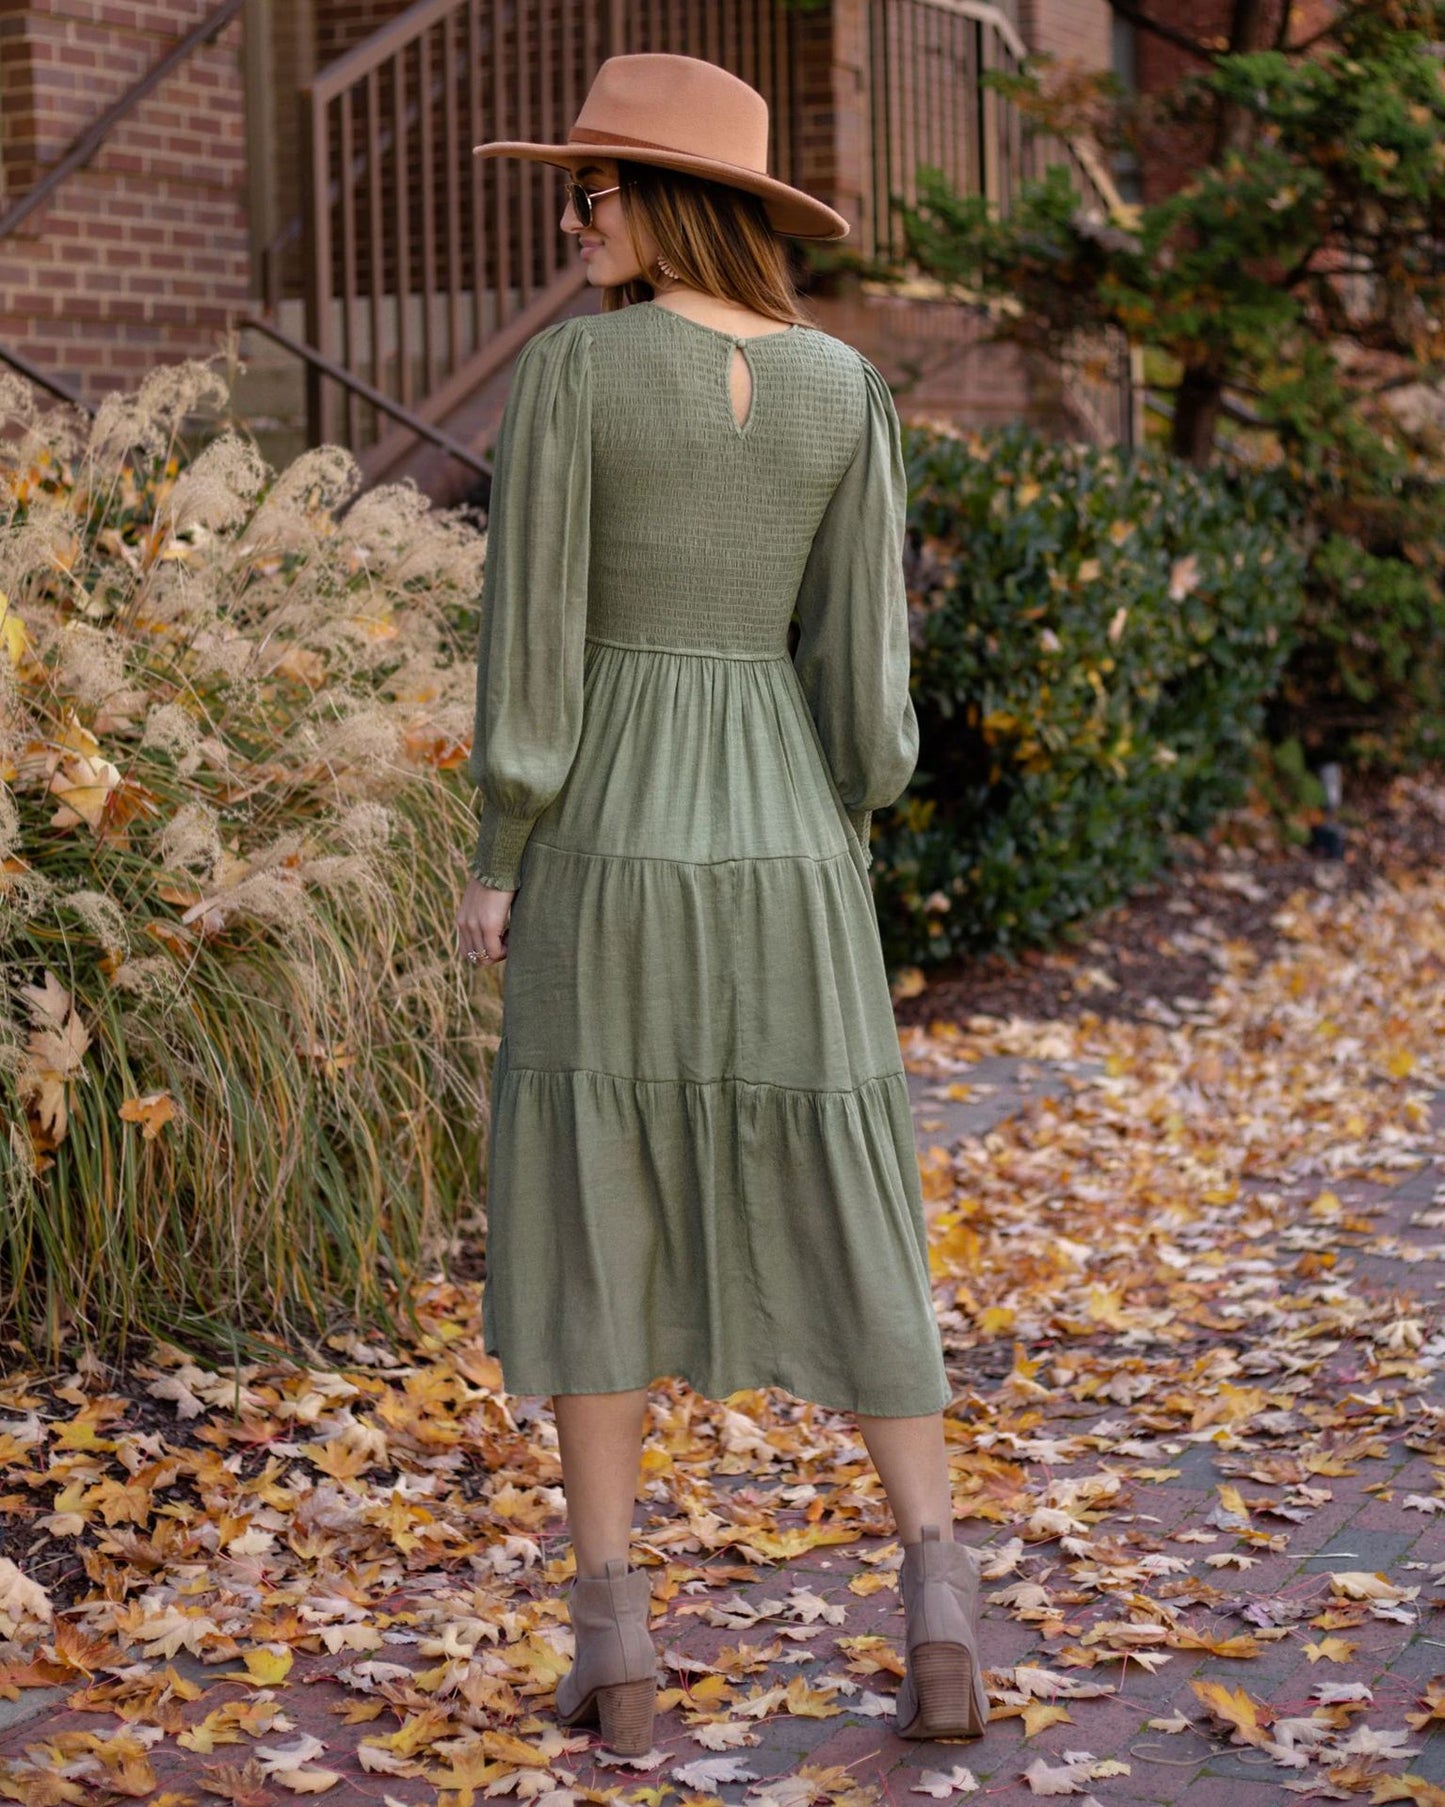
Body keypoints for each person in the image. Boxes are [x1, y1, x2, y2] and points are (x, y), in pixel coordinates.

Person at [455, 52, 988, 1757]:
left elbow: (529, 645)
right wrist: (833, 811)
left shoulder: (575, 377)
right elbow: (867, 688)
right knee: (852, 1204)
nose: (570, 214)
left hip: (606, 831)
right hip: (789, 845)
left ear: (666, 199)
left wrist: (494, 847)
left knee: (594, 1202)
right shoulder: (846, 390)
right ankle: (940, 1608)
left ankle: (616, 1648)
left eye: (592, 187)